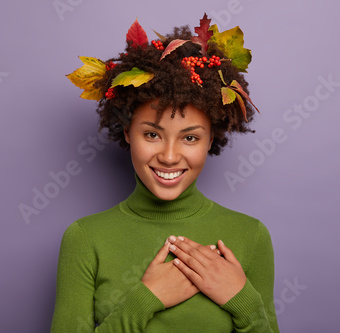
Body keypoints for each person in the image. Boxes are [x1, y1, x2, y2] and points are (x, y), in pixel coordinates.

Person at [51, 14, 279, 332]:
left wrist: (242, 300)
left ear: (211, 138)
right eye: (152, 134)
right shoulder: (85, 239)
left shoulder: (251, 237)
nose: (169, 157)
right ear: (128, 132)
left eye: (190, 137)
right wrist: (145, 300)